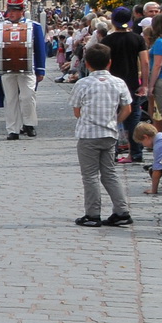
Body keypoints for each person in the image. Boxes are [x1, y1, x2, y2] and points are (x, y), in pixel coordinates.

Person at [70, 42, 134, 227]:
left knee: (90, 176)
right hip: (109, 134)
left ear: (87, 63)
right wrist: (115, 121)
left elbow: (77, 111)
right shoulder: (118, 82)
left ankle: (92, 214)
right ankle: (122, 211)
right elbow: (127, 108)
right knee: (109, 173)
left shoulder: (83, 83)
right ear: (109, 62)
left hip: (88, 135)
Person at [0, 0, 46, 140]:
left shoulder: (33, 26)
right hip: (7, 68)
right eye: (10, 10)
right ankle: (13, 129)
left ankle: (29, 124)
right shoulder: (1, 27)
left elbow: (40, 49)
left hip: (28, 68)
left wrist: (40, 69)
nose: (11, 13)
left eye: (15, 10)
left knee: (27, 96)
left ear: (22, 10)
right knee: (10, 99)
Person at [100, 7, 148, 163]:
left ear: (113, 21)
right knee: (133, 118)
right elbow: (145, 62)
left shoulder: (107, 40)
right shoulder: (137, 39)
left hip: (112, 84)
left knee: (111, 117)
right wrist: (145, 84)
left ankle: (112, 152)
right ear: (130, 21)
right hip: (132, 84)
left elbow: (104, 63)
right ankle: (136, 153)